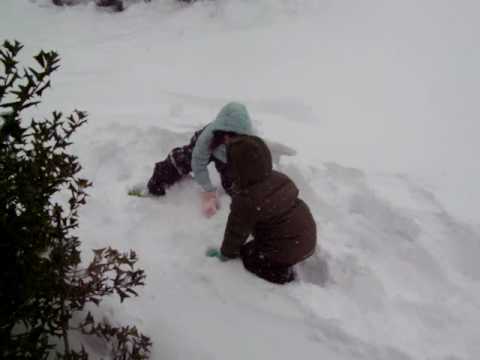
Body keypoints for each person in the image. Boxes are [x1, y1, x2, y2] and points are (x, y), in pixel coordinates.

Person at [215, 135, 317, 284]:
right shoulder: (278, 178)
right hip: (307, 237)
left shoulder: (247, 200)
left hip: (287, 249)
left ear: (236, 169)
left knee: (248, 254)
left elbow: (236, 231)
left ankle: (282, 275)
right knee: (258, 242)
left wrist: (226, 253)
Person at [147, 102, 254, 217]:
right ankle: (157, 181)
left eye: (235, 136)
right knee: (183, 161)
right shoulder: (208, 137)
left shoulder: (250, 144)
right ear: (221, 129)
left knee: (235, 186)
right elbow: (198, 164)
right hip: (209, 145)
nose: (229, 140)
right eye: (228, 134)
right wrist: (209, 190)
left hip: (226, 159)